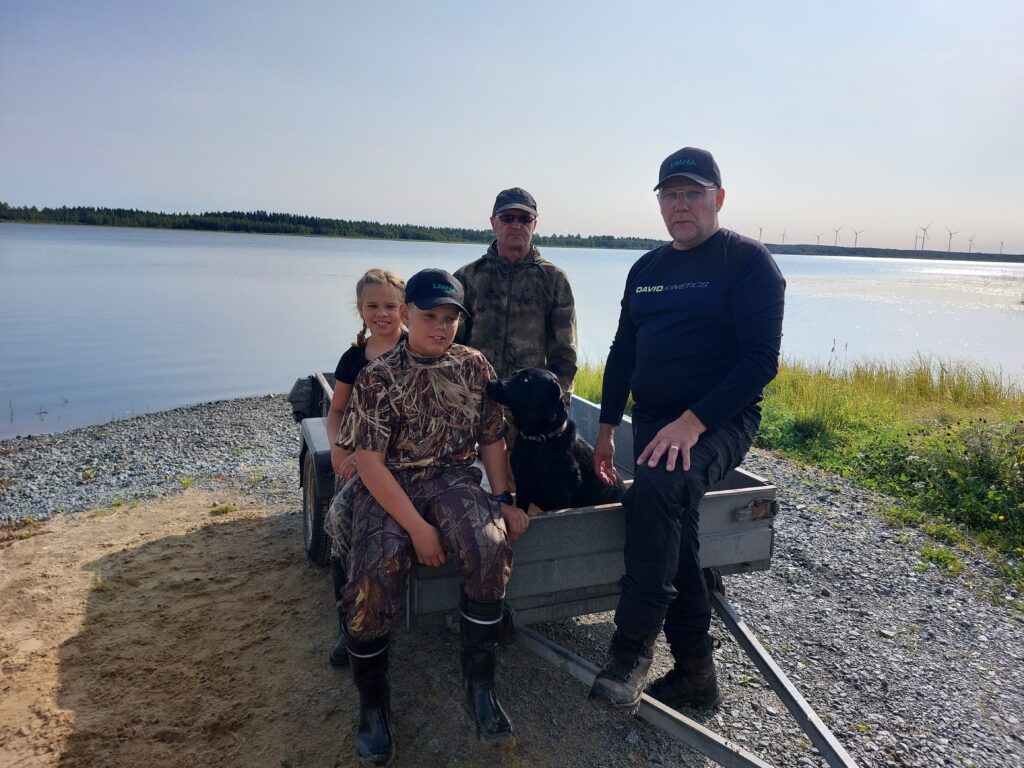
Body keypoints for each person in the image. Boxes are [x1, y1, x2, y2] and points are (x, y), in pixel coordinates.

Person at [587, 147, 786, 714]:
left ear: (718, 199)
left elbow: (758, 362)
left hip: (719, 418)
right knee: (677, 526)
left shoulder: (747, 263)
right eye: (669, 194)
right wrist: (605, 428)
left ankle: (630, 649)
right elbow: (622, 352)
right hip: (652, 421)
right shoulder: (646, 270)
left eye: (693, 193)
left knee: (652, 492)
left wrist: (692, 423)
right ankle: (697, 674)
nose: (680, 205)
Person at [335, 268, 530, 764]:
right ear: (405, 315)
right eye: (429, 316)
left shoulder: (474, 366)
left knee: (489, 544)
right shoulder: (377, 376)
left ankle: (480, 686)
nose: (440, 327)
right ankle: (373, 706)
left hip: (453, 478)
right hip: (390, 483)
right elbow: (372, 466)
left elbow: (491, 438)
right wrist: (420, 530)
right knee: (372, 573)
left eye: (450, 318)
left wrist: (505, 495)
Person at [324, 268, 406, 668]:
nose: (382, 313)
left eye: (390, 305)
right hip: (360, 455)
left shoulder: (416, 349)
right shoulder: (354, 358)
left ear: (404, 309)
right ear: (360, 310)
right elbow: (337, 410)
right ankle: (348, 622)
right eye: (373, 306)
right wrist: (340, 451)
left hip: (406, 456)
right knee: (342, 523)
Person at [454, 187, 578, 402]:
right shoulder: (467, 277)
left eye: (525, 218)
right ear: (494, 223)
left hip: (529, 406)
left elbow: (565, 354)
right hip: (475, 399)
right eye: (507, 217)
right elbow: (450, 344)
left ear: (535, 225)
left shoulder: (554, 279)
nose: (516, 225)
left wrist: (556, 403)